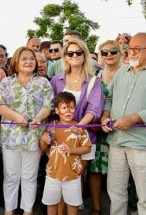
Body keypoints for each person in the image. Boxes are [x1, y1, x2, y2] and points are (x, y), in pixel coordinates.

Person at [0, 46, 54, 215]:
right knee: (11, 177)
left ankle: (28, 210)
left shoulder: (43, 82)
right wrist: (16, 117)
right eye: (24, 59)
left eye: (32, 59)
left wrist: (39, 118)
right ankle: (9, 210)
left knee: (29, 177)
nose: (29, 62)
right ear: (16, 62)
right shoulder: (6, 82)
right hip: (10, 137)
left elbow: (48, 105)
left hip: (34, 137)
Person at [50, 38, 104, 212]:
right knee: (60, 178)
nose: (74, 56)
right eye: (70, 53)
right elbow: (51, 107)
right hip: (60, 138)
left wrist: (78, 127)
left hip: (83, 138)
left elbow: (94, 109)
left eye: (78, 52)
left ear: (84, 55)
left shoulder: (94, 81)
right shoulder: (57, 80)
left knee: (76, 177)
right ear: (65, 57)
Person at [101, 32, 146, 215]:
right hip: (116, 141)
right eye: (130, 49)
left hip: (140, 144)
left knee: (144, 195)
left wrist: (134, 118)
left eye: (137, 49)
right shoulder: (121, 73)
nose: (131, 53)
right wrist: (105, 116)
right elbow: (109, 98)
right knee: (116, 191)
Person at [40, 92, 92, 215]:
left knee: (72, 205)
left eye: (71, 107)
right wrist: (43, 139)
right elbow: (43, 149)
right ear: (57, 110)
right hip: (53, 174)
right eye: (64, 108)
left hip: (73, 176)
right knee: (51, 204)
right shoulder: (51, 127)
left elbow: (87, 148)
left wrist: (71, 150)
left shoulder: (79, 128)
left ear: (75, 109)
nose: (68, 111)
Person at [88, 40, 122, 215]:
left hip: (123, 129)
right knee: (96, 169)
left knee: (121, 171)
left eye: (113, 51)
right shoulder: (97, 76)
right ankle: (96, 207)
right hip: (98, 129)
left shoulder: (127, 73)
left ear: (120, 52)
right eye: (104, 52)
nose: (109, 55)